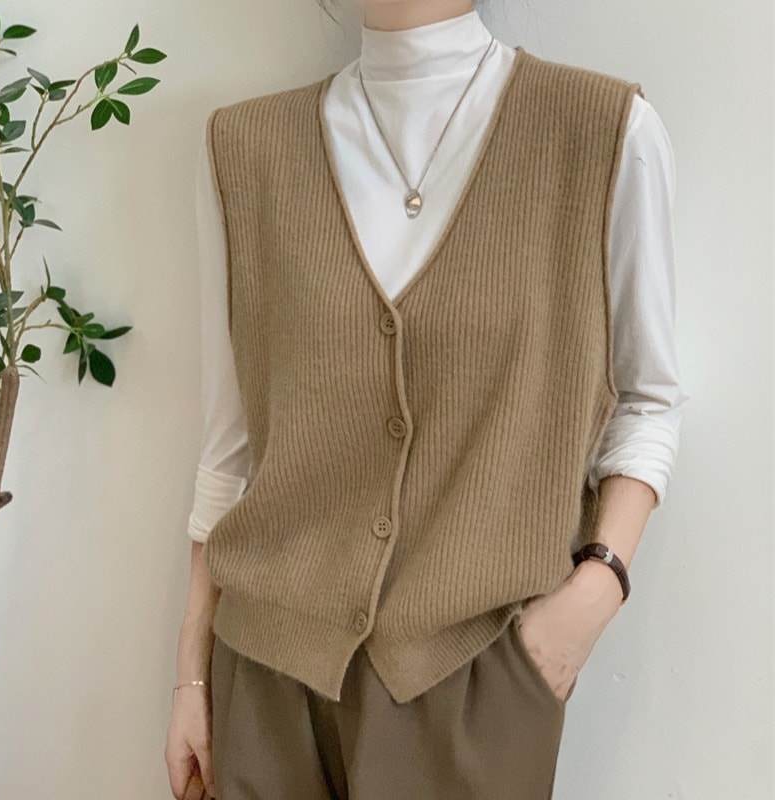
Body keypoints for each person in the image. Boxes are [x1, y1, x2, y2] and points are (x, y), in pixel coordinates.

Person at [165, 1, 689, 798]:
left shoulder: (603, 131)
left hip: (476, 676)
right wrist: (191, 676)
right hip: (265, 677)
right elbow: (231, 446)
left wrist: (592, 595)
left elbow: (647, 398)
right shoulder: (244, 147)